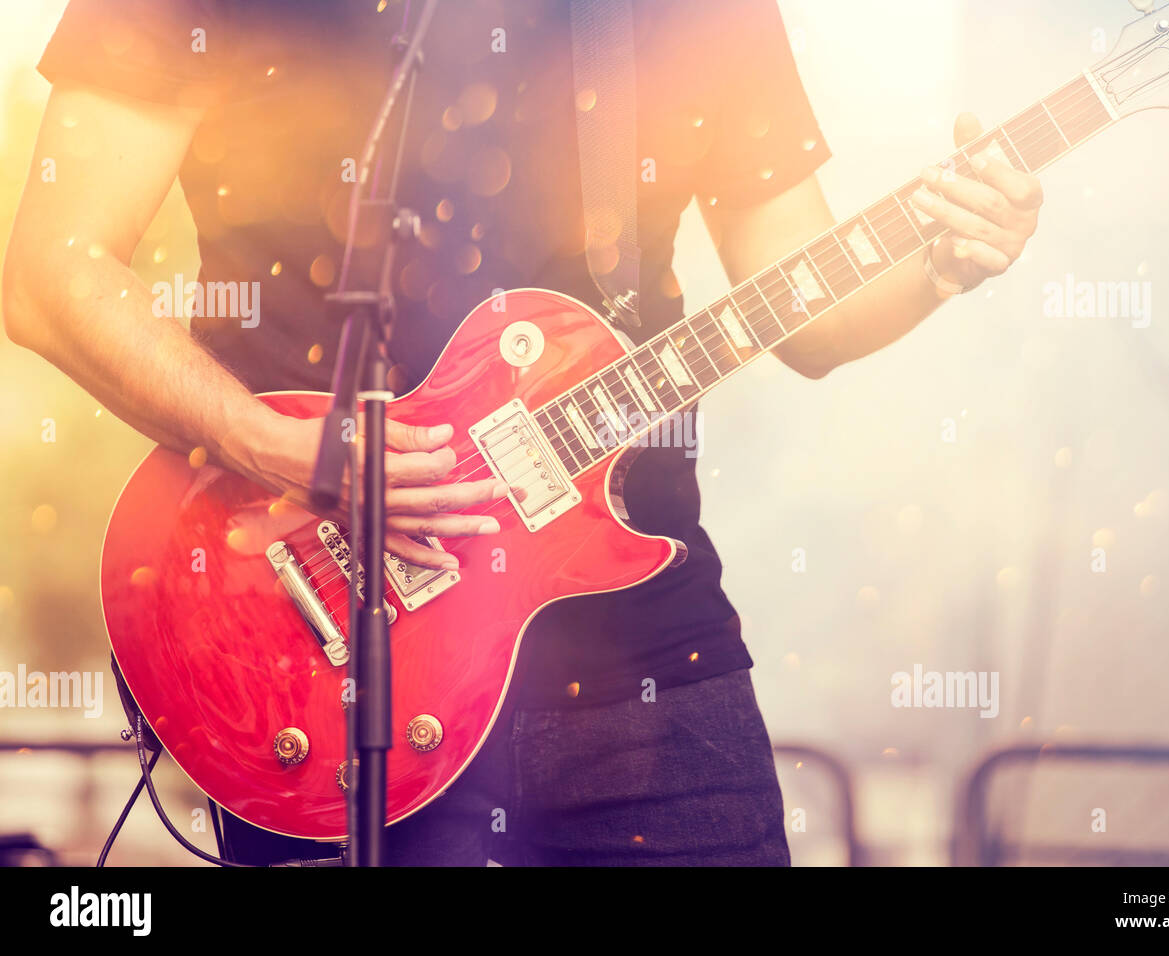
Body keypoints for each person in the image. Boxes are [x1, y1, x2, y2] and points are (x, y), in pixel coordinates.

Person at [3, 0, 1041, 865]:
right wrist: (280, 445)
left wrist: (940, 260)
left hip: (641, 647)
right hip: (324, 648)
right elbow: (54, 273)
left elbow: (806, 312)